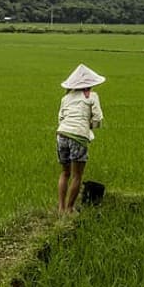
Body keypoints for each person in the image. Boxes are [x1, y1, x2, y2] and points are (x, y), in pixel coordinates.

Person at [56, 63, 105, 214]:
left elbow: (61, 118)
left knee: (65, 173)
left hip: (61, 134)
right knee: (77, 175)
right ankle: (70, 209)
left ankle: (61, 208)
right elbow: (98, 119)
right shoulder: (92, 96)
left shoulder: (66, 97)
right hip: (78, 136)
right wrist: (88, 125)